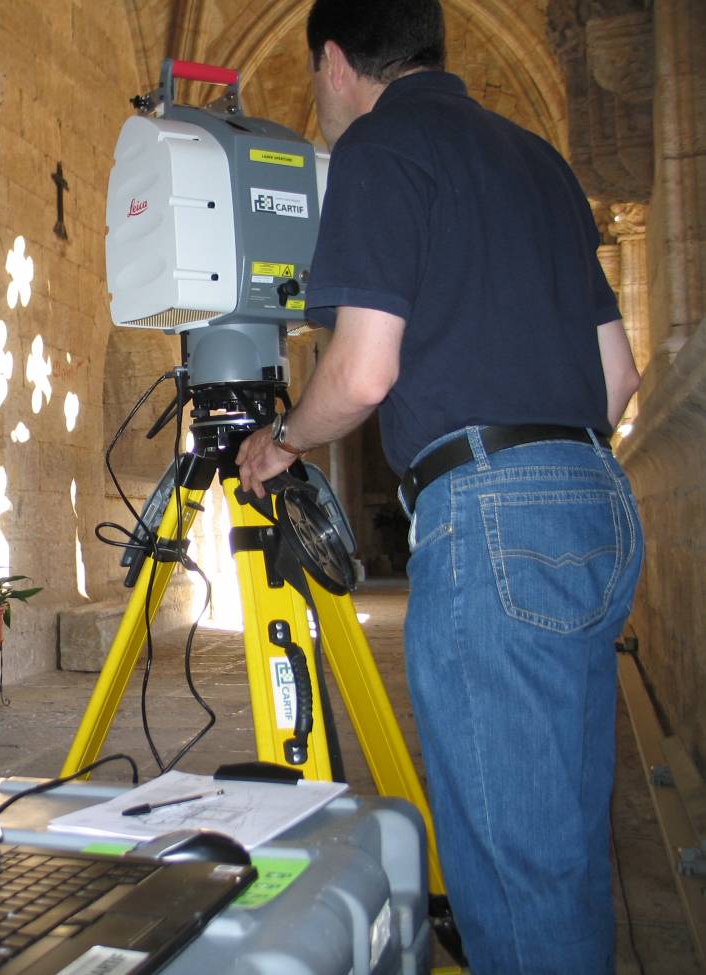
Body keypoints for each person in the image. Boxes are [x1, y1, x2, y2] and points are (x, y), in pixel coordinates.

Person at [234, 2, 644, 972]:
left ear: (334, 61)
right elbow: (620, 376)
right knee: (563, 849)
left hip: (492, 512)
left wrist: (281, 441)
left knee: (509, 868)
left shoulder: (380, 149)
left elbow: (363, 373)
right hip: (595, 496)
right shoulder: (534, 156)